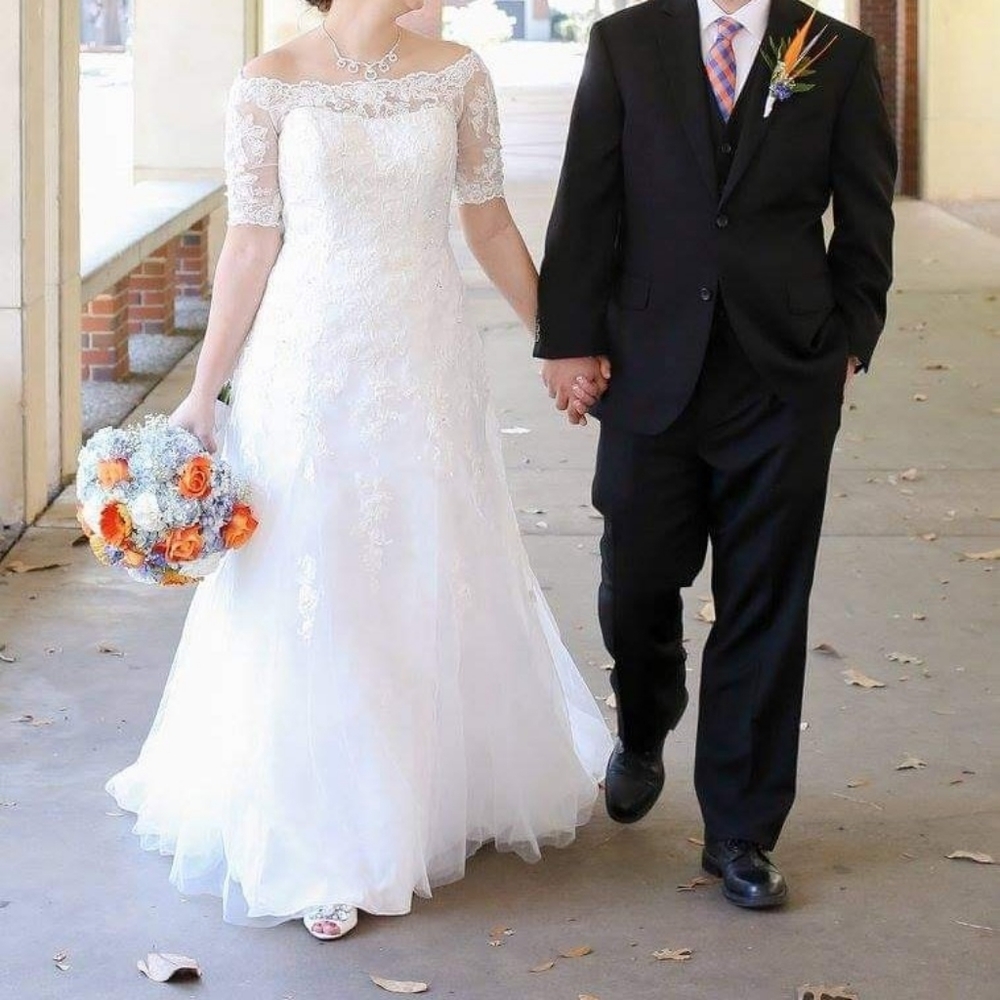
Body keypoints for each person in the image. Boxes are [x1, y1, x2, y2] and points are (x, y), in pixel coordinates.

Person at [106, 0, 612, 939]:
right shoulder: (268, 82)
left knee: (424, 559)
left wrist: (563, 338)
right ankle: (320, 839)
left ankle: (421, 799)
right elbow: (251, 245)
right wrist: (203, 392)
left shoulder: (458, 71)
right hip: (307, 363)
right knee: (315, 577)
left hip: (424, 359)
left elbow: (491, 223)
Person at [536, 0, 896, 909]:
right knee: (638, 575)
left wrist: (848, 339)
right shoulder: (625, 42)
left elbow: (866, 212)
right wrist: (569, 340)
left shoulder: (839, 53)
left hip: (784, 373)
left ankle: (739, 832)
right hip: (649, 365)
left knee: (766, 598)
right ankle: (647, 720)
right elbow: (587, 196)